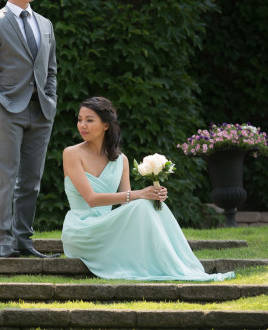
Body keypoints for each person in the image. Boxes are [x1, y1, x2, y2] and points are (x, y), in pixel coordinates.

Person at [62, 97, 235, 281]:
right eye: (80, 119)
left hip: (107, 227)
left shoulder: (121, 160)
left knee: (148, 205)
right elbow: (91, 199)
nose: (83, 125)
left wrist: (152, 194)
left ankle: (178, 264)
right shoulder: (72, 153)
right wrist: (139, 194)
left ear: (106, 125)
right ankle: (173, 265)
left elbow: (125, 204)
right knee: (142, 202)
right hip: (82, 230)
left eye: (89, 120)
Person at [0, 0, 59, 259]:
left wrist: (50, 98)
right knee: (4, 177)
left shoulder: (45, 23)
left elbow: (51, 69)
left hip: (41, 111)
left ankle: (24, 241)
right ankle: (0, 242)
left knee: (32, 181)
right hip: (7, 110)